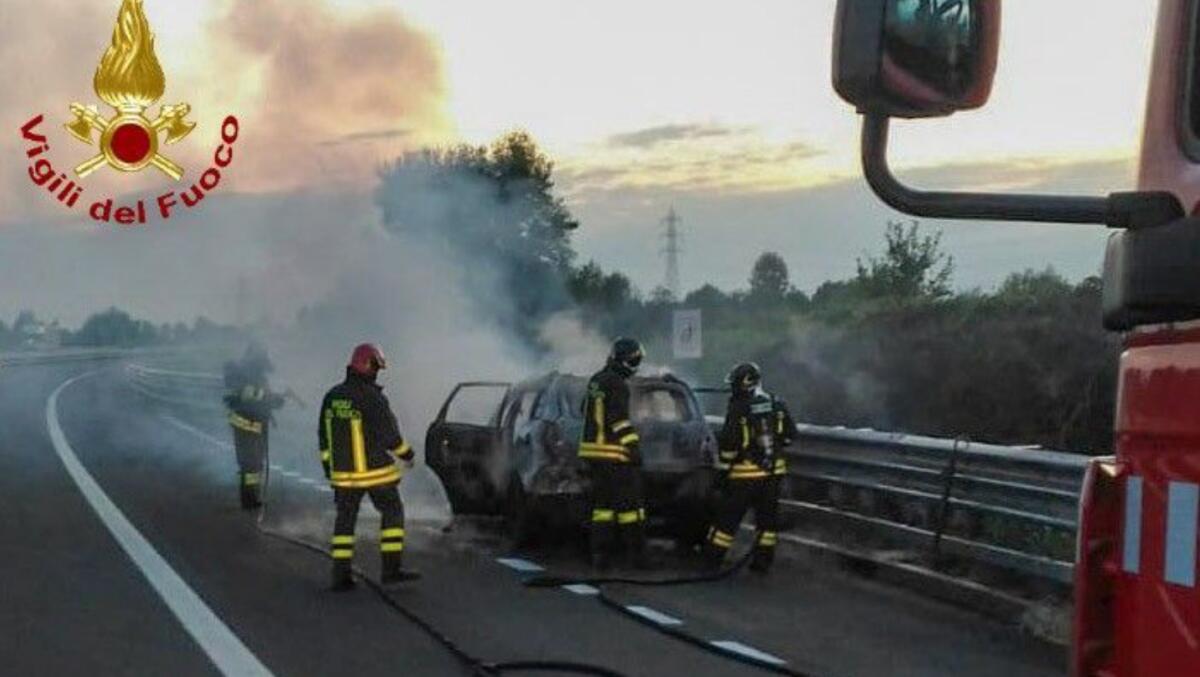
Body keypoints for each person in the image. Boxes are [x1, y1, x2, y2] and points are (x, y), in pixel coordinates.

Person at [318, 343, 419, 591]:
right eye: (376, 368)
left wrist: (330, 469)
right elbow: (390, 436)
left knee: (345, 523)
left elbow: (323, 437)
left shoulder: (333, 396)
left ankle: (340, 576)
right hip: (374, 474)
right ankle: (391, 570)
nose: (376, 373)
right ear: (367, 365)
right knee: (393, 512)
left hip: (343, 476)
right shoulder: (373, 398)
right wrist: (407, 455)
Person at [704, 362, 796, 573]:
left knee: (727, 521)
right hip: (773, 474)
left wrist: (722, 473)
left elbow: (729, 444)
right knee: (767, 522)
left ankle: (711, 561)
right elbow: (790, 435)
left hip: (744, 476)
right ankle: (762, 562)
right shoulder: (776, 403)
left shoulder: (738, 408)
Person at [579, 337, 648, 569]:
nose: (636, 366)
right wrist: (633, 448)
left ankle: (600, 556)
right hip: (612, 453)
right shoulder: (617, 384)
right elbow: (619, 421)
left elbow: (584, 409)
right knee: (630, 508)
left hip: (592, 454)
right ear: (626, 361)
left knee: (603, 508)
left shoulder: (596, 380)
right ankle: (637, 557)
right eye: (635, 361)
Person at [223, 342, 285, 510]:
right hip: (246, 425)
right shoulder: (242, 375)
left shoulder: (257, 376)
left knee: (256, 464)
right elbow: (248, 395)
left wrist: (273, 401)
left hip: (257, 424)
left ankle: (252, 496)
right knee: (249, 464)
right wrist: (271, 399)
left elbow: (260, 396)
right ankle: (249, 499)